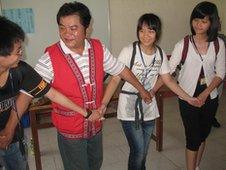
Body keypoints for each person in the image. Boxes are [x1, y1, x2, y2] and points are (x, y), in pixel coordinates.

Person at [34, 2, 152, 170]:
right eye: (62, 28)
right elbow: (31, 90)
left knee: (96, 163)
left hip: (95, 124)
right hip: (70, 129)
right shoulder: (49, 57)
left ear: (86, 28)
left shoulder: (98, 48)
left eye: (73, 28)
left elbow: (121, 70)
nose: (67, 34)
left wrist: (142, 90)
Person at [101, 13, 200, 170]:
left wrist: (188, 98)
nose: (145, 35)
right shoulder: (129, 51)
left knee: (143, 152)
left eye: (150, 31)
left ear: (157, 33)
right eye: (141, 30)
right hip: (128, 108)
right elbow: (115, 79)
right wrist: (103, 104)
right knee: (138, 151)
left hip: (149, 108)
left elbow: (168, 80)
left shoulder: (160, 54)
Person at [0, 16, 98, 170]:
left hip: (13, 139)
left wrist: (85, 112)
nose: (22, 54)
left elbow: (53, 94)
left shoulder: (22, 70)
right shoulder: (51, 54)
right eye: (18, 51)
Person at [169, 2, 225, 170]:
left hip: (210, 95)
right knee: (192, 137)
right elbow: (168, 72)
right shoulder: (183, 45)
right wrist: (152, 88)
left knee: (202, 135)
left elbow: (220, 73)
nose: (198, 24)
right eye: (195, 19)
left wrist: (205, 94)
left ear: (212, 23)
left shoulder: (218, 44)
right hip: (187, 97)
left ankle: (197, 166)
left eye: (204, 21)